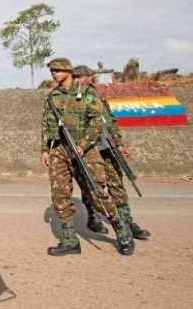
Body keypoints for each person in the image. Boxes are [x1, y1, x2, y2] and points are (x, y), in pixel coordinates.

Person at [41, 58, 134, 256]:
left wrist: (83, 145)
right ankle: (70, 241)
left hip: (85, 149)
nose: (54, 74)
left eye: (57, 70)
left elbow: (98, 122)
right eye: (52, 71)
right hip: (60, 150)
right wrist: (44, 149)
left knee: (96, 192)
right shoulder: (52, 96)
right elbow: (45, 125)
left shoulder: (86, 93)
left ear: (67, 71)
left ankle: (122, 231)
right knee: (60, 195)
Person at [72, 65, 151, 240]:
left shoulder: (98, 96)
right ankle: (92, 217)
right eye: (74, 77)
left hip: (107, 147)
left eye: (80, 76)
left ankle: (127, 221)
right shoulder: (72, 97)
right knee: (91, 187)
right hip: (88, 150)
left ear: (90, 77)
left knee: (116, 185)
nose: (77, 80)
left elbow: (110, 121)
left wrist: (119, 144)